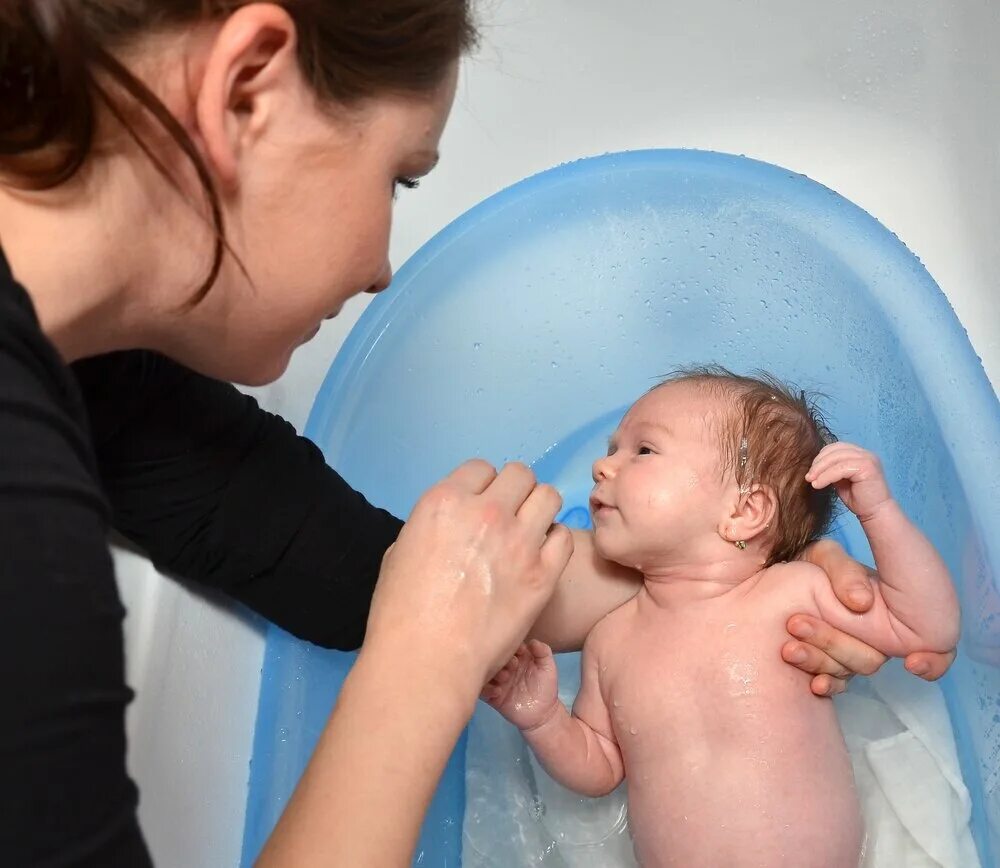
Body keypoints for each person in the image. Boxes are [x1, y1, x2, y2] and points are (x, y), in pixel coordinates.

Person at [0, 2, 956, 865]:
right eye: (400, 177)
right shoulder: (24, 527)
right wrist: (425, 665)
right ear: (247, 89)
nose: (381, 265)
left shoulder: (96, 375)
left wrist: (726, 572)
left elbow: (293, 539)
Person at [483, 369, 960, 867]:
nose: (603, 466)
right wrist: (540, 717)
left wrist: (878, 511)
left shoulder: (790, 595)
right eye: (613, 448)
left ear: (744, 510)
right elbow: (600, 767)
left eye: (643, 451)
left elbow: (926, 626)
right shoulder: (609, 638)